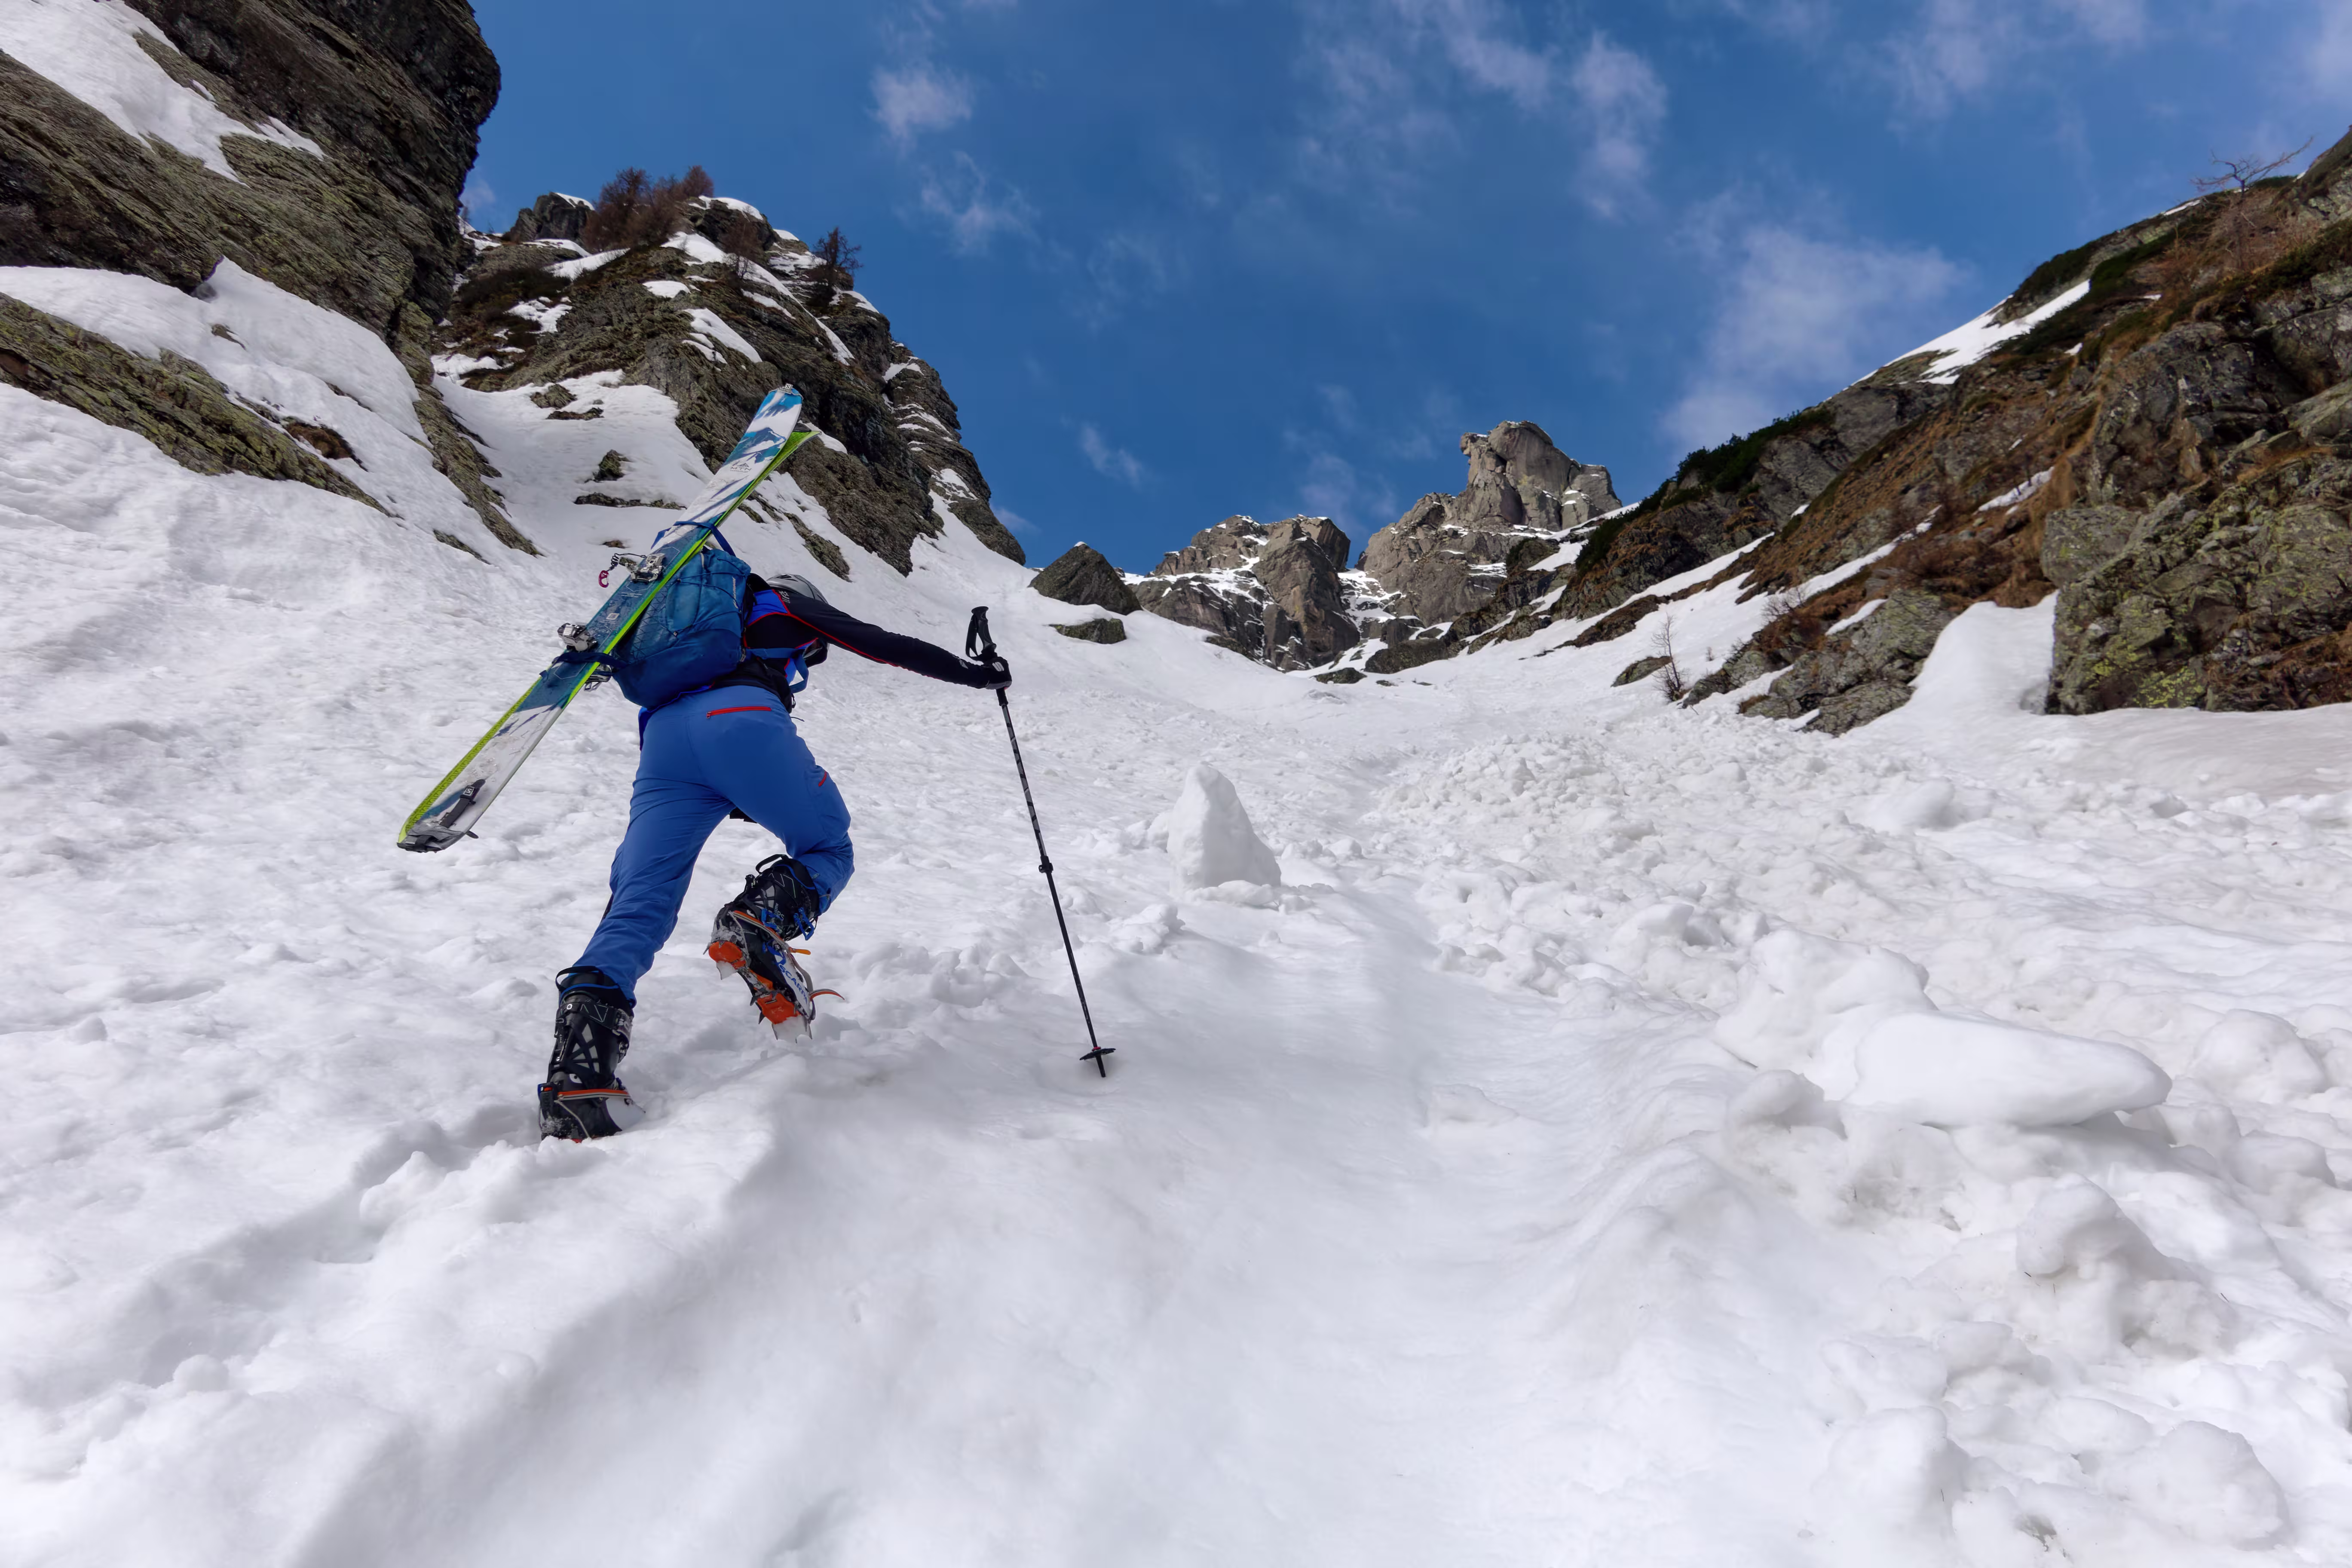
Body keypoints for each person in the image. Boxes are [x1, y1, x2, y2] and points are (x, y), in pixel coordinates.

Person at [540, 572, 1010, 1140]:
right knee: (826, 846)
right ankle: (758, 920)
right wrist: (976, 674)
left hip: (663, 744)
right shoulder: (780, 603)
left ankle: (579, 1080)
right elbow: (880, 643)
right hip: (742, 723)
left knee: (639, 901)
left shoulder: (680, 626)